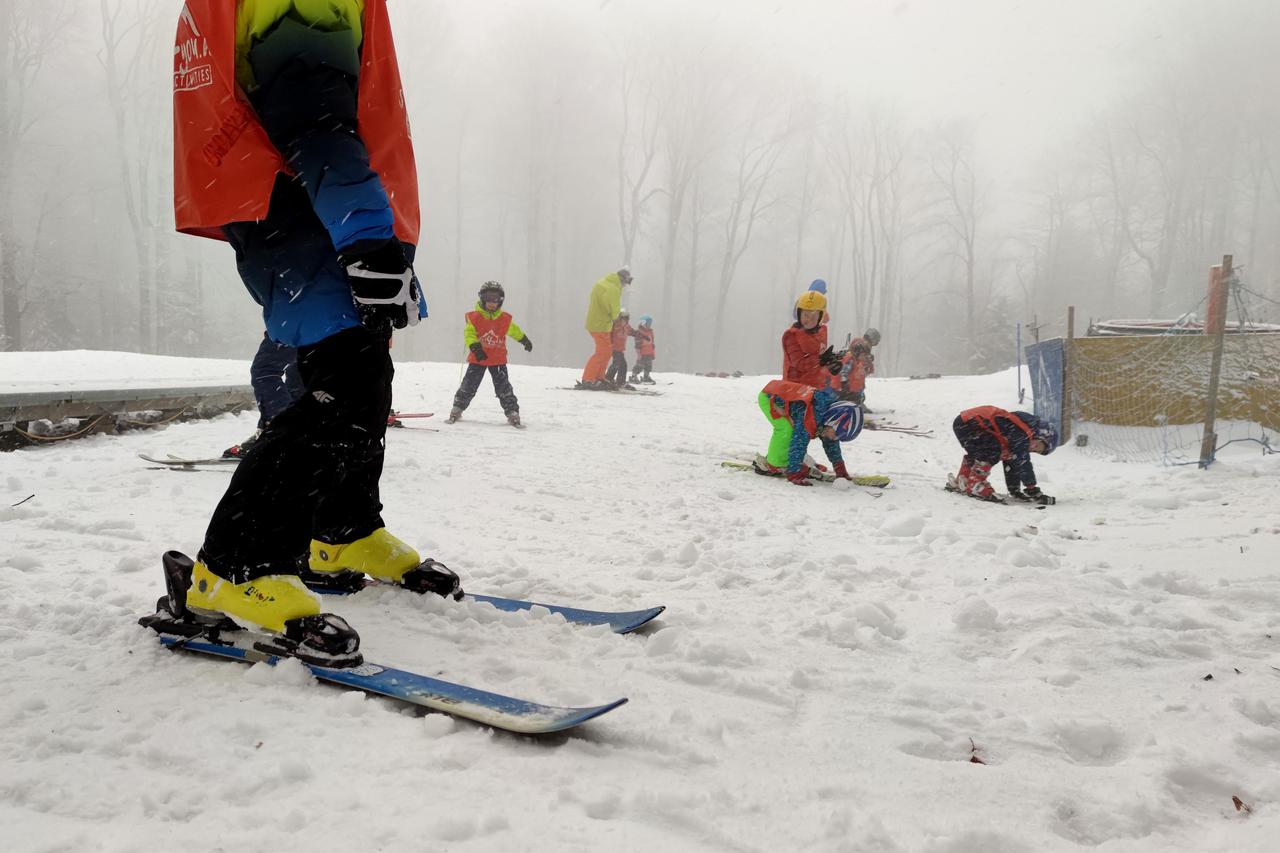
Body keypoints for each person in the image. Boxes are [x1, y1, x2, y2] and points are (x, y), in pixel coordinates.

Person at [154, 0, 458, 665]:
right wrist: (368, 235)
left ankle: (341, 531)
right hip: (305, 202)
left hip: (310, 201)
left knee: (364, 371)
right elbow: (310, 108)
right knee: (345, 386)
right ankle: (234, 565)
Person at [447, 281, 531, 427]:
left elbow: (514, 330)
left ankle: (512, 411)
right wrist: (476, 348)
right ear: (482, 298)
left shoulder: (504, 319)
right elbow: (469, 334)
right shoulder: (474, 317)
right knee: (469, 385)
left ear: (501, 300)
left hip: (498, 360)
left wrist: (524, 340)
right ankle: (458, 408)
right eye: (488, 298)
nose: (492, 302)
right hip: (478, 358)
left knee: (504, 388)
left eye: (496, 299)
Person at [753, 379, 865, 486]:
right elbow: (798, 442)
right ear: (833, 421)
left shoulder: (828, 420)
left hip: (787, 402)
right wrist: (794, 472)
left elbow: (830, 444)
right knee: (787, 430)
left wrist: (839, 467)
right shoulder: (813, 415)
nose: (835, 438)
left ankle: (788, 460)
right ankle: (772, 464)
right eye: (836, 435)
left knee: (796, 432)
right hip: (770, 397)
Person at [950, 406, 1058, 504]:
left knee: (983, 452)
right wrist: (1031, 488)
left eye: (1035, 451)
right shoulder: (1022, 432)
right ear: (1040, 434)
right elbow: (1022, 462)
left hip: (965, 423)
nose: (1032, 449)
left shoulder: (1017, 426)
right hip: (970, 424)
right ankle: (976, 484)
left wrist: (1014, 490)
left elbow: (1011, 462)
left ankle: (963, 479)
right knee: (992, 451)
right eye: (1037, 446)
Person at [223, 333, 305, 458]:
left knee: (265, 371)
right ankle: (306, 432)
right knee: (300, 371)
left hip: (298, 323)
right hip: (331, 323)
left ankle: (280, 433)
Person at [581, 267, 631, 388]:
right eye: (625, 283)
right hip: (600, 324)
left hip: (597, 322)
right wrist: (618, 316)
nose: (624, 286)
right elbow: (613, 308)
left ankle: (599, 377)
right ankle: (588, 379)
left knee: (607, 352)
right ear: (622, 280)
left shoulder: (604, 282)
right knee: (602, 352)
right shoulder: (613, 288)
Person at [783, 291, 840, 388]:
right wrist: (821, 359)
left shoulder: (820, 333)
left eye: (814, 316)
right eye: (806, 315)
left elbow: (818, 361)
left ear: (820, 317)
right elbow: (800, 364)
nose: (809, 319)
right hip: (796, 390)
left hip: (816, 388)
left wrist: (831, 362)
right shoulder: (791, 336)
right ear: (799, 314)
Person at [836, 327, 880, 408]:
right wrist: (844, 384)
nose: (871, 345)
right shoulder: (859, 346)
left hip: (856, 382)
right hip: (848, 386)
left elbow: (863, 361)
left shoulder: (863, 348)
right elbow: (845, 371)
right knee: (854, 395)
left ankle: (857, 403)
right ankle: (851, 404)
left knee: (859, 394)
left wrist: (868, 360)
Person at [604, 308, 635, 387]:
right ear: (619, 318)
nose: (624, 321)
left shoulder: (626, 326)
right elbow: (609, 334)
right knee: (620, 364)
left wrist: (640, 335)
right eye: (623, 319)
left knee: (618, 364)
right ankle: (615, 380)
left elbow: (632, 332)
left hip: (620, 349)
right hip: (614, 348)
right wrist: (609, 343)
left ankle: (610, 379)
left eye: (626, 319)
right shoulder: (615, 325)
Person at [629, 315, 657, 384]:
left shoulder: (650, 332)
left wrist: (653, 351)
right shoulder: (640, 333)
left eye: (650, 324)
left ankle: (646, 376)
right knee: (640, 365)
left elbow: (651, 342)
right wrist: (638, 354)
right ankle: (633, 376)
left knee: (648, 365)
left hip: (649, 352)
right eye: (648, 323)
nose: (649, 325)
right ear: (643, 323)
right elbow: (637, 345)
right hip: (642, 353)